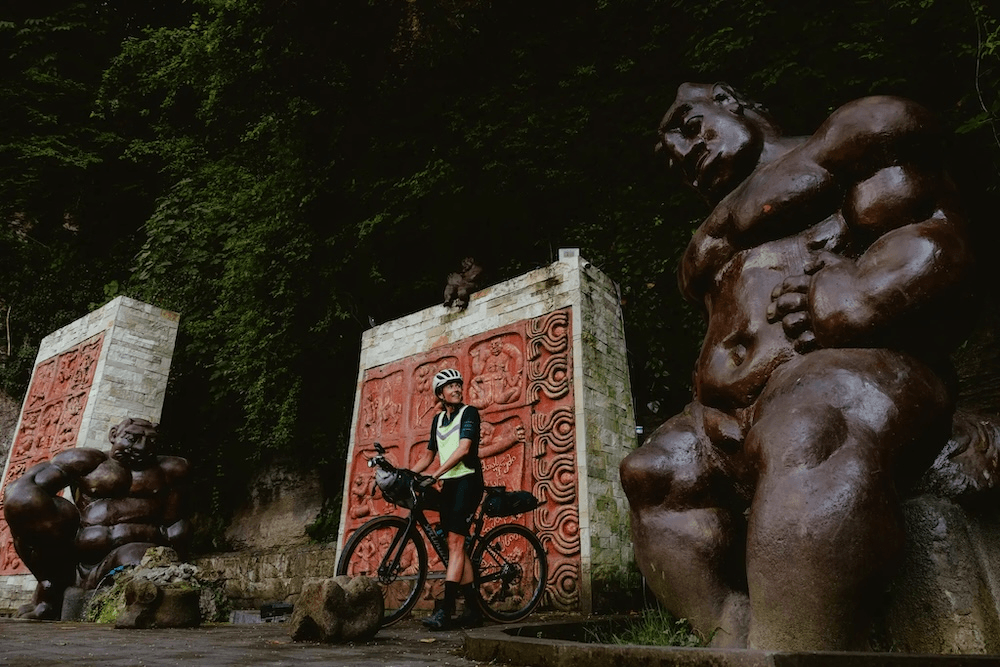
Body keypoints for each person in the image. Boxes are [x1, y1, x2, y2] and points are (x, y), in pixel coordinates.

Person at [620, 83, 976, 650]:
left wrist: (856, 295)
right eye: (670, 158)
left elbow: (934, 238)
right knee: (653, 471)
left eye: (689, 126)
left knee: (808, 430)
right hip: (725, 414)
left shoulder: (854, 137)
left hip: (849, 371)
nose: (685, 157)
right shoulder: (708, 237)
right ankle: (731, 639)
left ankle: (796, 647)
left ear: (729, 100)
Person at [4, 418, 190, 620]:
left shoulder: (171, 470)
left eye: (151, 442)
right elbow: (25, 489)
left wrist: (177, 555)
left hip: (133, 551)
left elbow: (175, 523)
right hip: (78, 554)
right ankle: (49, 588)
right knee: (23, 503)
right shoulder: (86, 461)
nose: (142, 448)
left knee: (135, 557)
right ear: (113, 435)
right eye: (132, 438)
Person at [412, 368, 485, 630]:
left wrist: (436, 475)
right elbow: (429, 455)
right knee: (457, 546)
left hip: (468, 481)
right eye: (450, 386)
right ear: (440, 394)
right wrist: (407, 475)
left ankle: (446, 610)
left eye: (458, 384)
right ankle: (474, 610)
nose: (456, 388)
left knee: (455, 543)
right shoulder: (437, 420)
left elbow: (464, 449)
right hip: (450, 486)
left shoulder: (470, 413)